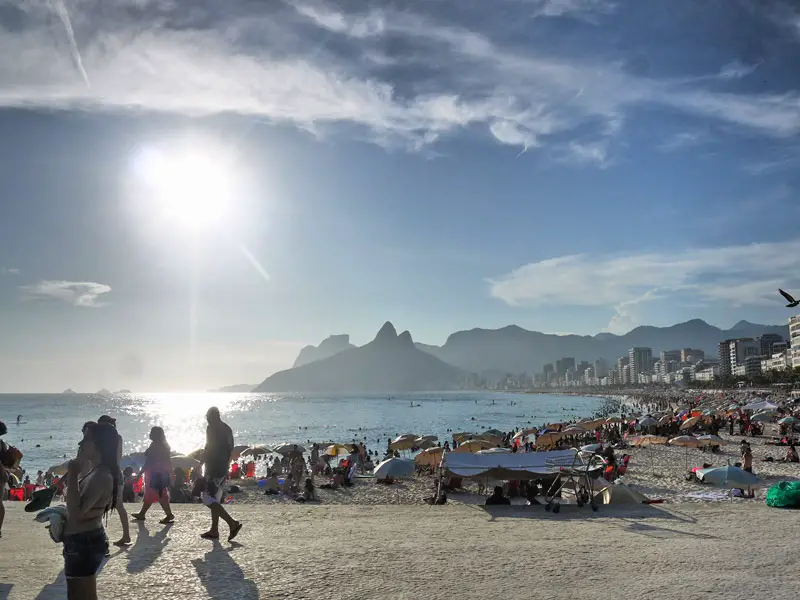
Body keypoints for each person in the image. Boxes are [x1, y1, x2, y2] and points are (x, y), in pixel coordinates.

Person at [63, 422, 119, 600]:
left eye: (86, 440)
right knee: (75, 594)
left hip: (84, 542)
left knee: (83, 596)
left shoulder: (101, 476)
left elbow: (76, 513)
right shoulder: (93, 471)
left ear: (99, 445)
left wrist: (72, 474)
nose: (81, 444)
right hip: (80, 540)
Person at [199, 407, 242, 541]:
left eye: (207, 417)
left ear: (212, 417)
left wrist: (200, 463)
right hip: (223, 467)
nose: (207, 419)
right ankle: (214, 529)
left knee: (207, 498)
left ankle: (232, 523)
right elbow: (231, 449)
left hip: (213, 468)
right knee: (215, 499)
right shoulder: (227, 429)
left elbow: (208, 447)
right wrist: (226, 464)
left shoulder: (211, 428)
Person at [97, 415, 131, 546]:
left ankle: (100, 539)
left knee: (99, 505)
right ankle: (126, 535)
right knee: (119, 506)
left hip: (106, 474)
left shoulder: (102, 440)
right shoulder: (118, 438)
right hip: (117, 473)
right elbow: (118, 458)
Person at [131, 427, 175, 524]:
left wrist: (139, 475)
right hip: (160, 473)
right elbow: (167, 461)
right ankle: (142, 513)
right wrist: (171, 474)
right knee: (151, 494)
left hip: (155, 474)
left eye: (151, 432)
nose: (149, 434)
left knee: (160, 495)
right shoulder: (164, 446)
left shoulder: (155, 446)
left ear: (155, 435)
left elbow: (148, 462)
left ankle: (169, 514)